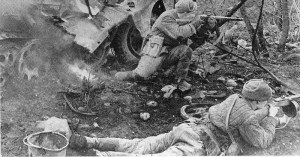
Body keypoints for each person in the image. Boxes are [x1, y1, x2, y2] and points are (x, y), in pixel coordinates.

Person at [69, 79, 291, 156]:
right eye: (265, 102)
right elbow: (261, 140)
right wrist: (271, 118)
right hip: (200, 145)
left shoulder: (234, 98)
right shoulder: (249, 118)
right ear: (259, 101)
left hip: (188, 128)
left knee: (140, 145)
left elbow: (243, 115)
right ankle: (97, 155)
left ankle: (90, 141)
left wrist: (264, 112)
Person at [115, 0, 211, 92]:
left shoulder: (184, 19)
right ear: (185, 13)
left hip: (170, 51)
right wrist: (194, 24)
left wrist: (205, 27)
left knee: (186, 50)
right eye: (192, 14)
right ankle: (120, 75)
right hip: (156, 51)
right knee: (141, 75)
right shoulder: (167, 17)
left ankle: (179, 81)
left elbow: (195, 37)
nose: (193, 16)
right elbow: (179, 34)